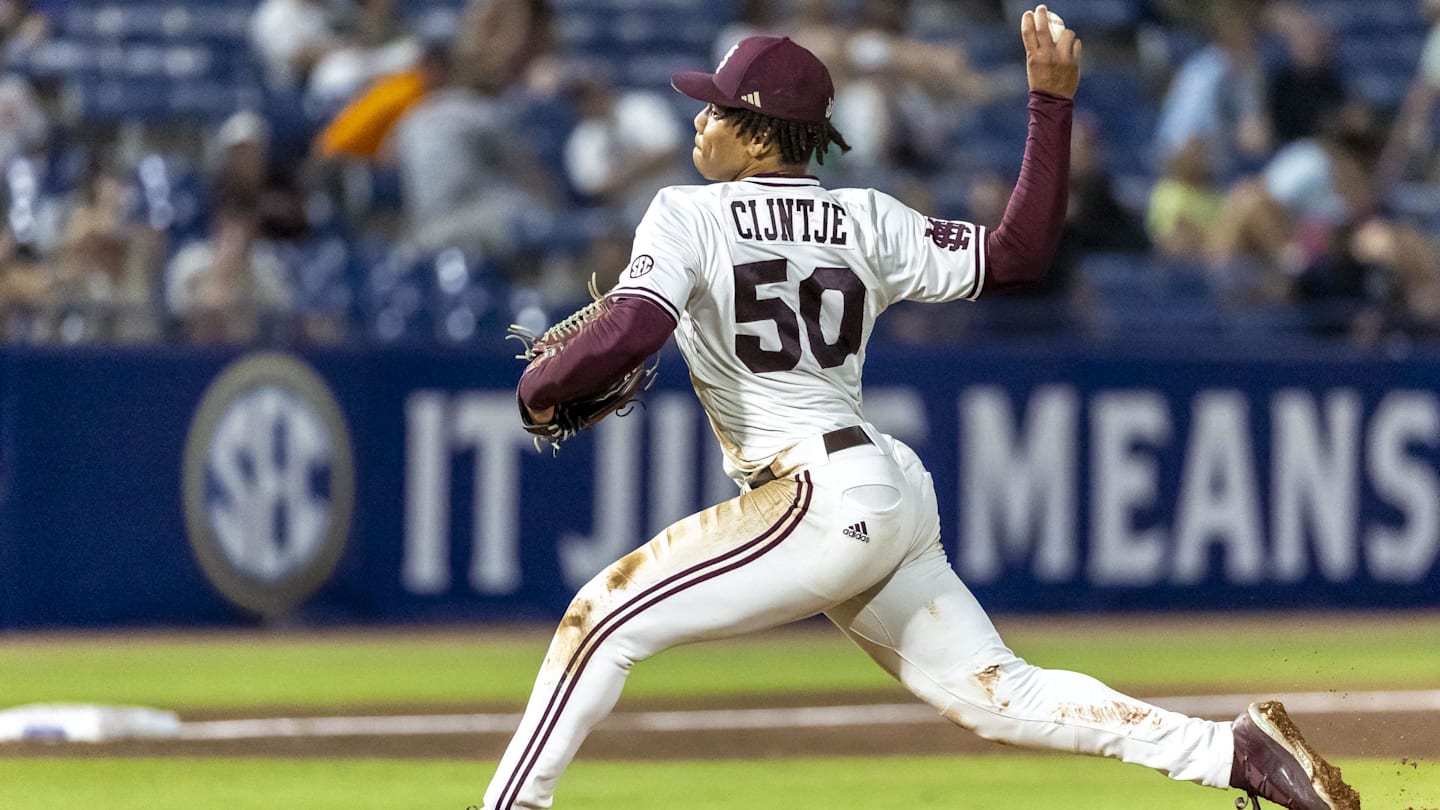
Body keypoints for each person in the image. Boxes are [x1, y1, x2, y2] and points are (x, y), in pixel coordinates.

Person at [482, 12, 1360, 810]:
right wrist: (1049, 106)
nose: (700, 120)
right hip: (884, 484)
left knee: (599, 622)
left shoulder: (685, 213)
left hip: (814, 497)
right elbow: (1017, 255)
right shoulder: (866, 216)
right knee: (1000, 693)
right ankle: (1232, 752)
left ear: (756, 133)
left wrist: (537, 385)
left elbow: (634, 328)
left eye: (716, 109)